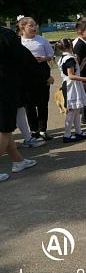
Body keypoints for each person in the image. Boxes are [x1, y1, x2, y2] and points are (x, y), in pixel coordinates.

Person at [0, 26, 39, 181]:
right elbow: (24, 57)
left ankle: (18, 161)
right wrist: (42, 75)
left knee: (5, 128)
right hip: (4, 86)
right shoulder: (5, 35)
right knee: (5, 128)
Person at [17, 17, 55, 141]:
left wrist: (44, 59)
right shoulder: (18, 42)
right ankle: (34, 131)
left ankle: (43, 130)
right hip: (26, 77)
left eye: (35, 25)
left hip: (42, 74)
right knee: (29, 105)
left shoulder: (42, 40)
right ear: (23, 28)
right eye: (31, 26)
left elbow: (51, 55)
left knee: (43, 104)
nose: (34, 28)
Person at [56, 38, 86, 143]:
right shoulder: (69, 59)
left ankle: (78, 131)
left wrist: (82, 63)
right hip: (71, 87)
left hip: (71, 85)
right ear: (70, 47)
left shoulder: (64, 58)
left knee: (76, 109)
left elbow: (74, 72)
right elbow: (71, 76)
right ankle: (67, 134)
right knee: (72, 111)